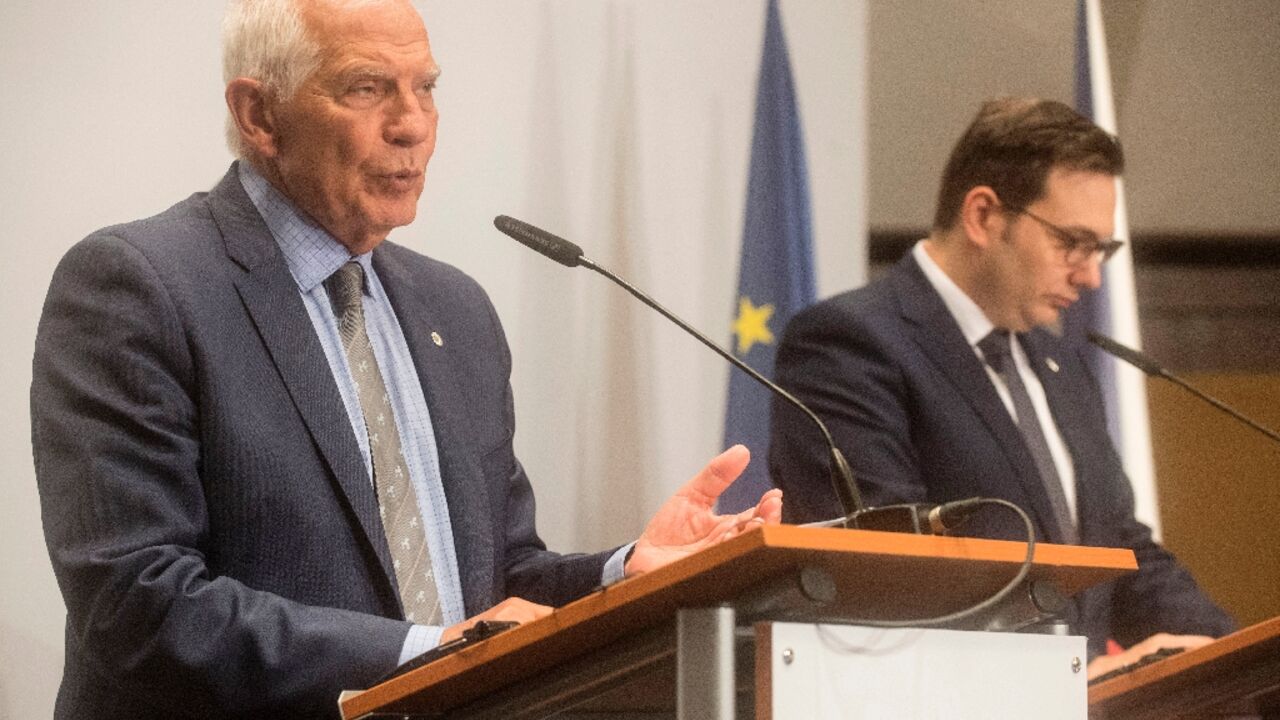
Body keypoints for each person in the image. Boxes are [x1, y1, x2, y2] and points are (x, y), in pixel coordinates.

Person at [29, 1, 781, 717]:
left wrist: (626, 572)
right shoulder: (140, 286)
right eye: (366, 88)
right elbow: (138, 601)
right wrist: (424, 654)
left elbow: (498, 581)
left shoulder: (455, 311)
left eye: (426, 87)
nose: (412, 124)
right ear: (258, 114)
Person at [768, 98, 1233, 676]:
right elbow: (885, 572)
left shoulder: (1057, 359)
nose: (1090, 275)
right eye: (1073, 242)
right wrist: (1059, 684)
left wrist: (1230, 657)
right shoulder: (848, 343)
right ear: (984, 216)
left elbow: (1119, 549)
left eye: (1101, 250)